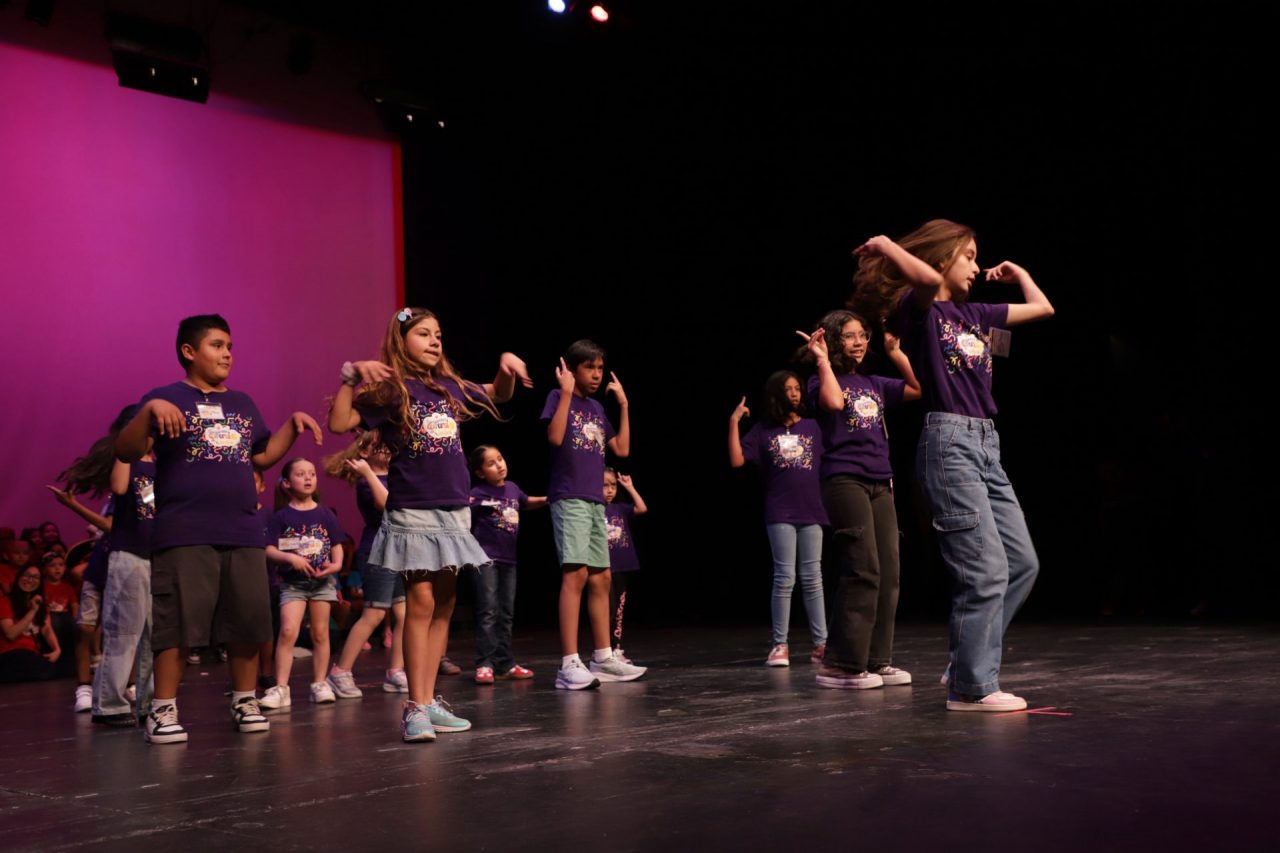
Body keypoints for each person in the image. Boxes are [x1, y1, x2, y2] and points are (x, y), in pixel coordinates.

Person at [852, 221, 1054, 711]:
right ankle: (969, 687)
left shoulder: (977, 313)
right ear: (943, 259)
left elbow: (1043, 308)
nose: (978, 267)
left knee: (1022, 563)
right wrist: (887, 245)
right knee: (985, 570)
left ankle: (967, 660)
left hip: (987, 444)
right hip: (949, 443)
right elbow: (923, 280)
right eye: (969, 256)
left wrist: (1020, 274)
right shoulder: (920, 310)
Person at [115, 313, 324, 743]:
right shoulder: (164, 398)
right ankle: (163, 709)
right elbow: (126, 449)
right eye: (216, 345)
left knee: (246, 622)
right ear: (188, 351)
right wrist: (148, 412)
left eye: (230, 346)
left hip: (243, 530)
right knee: (178, 624)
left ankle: (244, 700)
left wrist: (291, 426)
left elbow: (261, 456)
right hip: (184, 531)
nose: (227, 353)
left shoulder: (242, 403)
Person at [329, 306, 531, 741]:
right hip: (415, 509)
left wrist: (506, 367)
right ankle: (414, 707)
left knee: (444, 605)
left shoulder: (450, 387)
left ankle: (429, 700)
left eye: (438, 333)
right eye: (423, 333)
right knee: (420, 603)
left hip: (454, 510)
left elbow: (499, 393)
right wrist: (350, 378)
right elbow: (340, 422)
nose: (435, 340)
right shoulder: (391, 391)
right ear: (401, 341)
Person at [801, 310, 920, 689]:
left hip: (880, 481)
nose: (859, 342)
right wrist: (822, 361)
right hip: (844, 480)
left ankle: (877, 659)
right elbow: (834, 404)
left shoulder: (874, 383)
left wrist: (896, 353)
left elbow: (918, 388)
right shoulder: (818, 380)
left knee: (889, 571)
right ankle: (840, 664)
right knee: (862, 568)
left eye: (863, 335)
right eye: (849, 336)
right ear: (834, 341)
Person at [542, 340, 647, 689]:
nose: (597, 374)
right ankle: (568, 663)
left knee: (602, 577)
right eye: (590, 367)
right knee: (576, 574)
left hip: (594, 501)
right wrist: (565, 392)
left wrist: (624, 405)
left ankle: (603, 657)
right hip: (569, 497)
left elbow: (622, 449)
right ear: (572, 370)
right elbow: (555, 437)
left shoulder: (598, 409)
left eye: (600, 368)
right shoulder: (558, 397)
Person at [729, 371, 829, 667]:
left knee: (813, 579)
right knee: (785, 578)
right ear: (776, 394)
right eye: (788, 389)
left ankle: (821, 644)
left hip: (812, 510)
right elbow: (737, 460)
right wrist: (734, 422)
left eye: (798, 388)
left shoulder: (813, 427)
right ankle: (780, 645)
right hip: (780, 512)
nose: (795, 394)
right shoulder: (763, 430)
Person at [260, 459, 345, 709]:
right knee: (288, 631)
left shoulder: (325, 514)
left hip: (321, 583)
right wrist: (290, 559)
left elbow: (337, 544)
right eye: (300, 474)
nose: (308, 478)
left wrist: (336, 565)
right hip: (293, 584)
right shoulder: (281, 516)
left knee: (320, 633)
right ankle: (281, 688)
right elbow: (269, 549)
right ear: (287, 483)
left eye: (312, 474)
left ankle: (319, 683)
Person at [467, 444, 546, 684]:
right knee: (488, 610)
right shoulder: (478, 493)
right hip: (485, 559)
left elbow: (526, 501)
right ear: (480, 472)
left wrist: (548, 499)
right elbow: (464, 512)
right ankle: (484, 663)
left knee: (506, 612)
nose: (499, 465)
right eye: (491, 463)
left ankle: (504, 662)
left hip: (509, 559)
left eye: (500, 459)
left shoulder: (512, 488)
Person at [602, 468, 646, 662]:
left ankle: (616, 648)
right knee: (607, 610)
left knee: (618, 611)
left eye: (613, 485)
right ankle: (605, 649)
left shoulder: (620, 508)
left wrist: (629, 487)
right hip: (604, 568)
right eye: (605, 485)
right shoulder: (593, 510)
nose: (610, 490)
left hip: (623, 567)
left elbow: (642, 508)